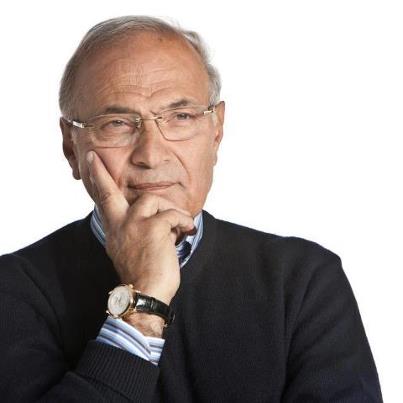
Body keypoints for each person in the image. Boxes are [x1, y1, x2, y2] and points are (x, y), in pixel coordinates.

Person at [0, 15, 382, 402]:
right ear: (71, 147)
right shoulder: (13, 289)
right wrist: (144, 304)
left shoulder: (302, 280)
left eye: (180, 117)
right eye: (117, 123)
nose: (151, 154)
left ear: (216, 132)